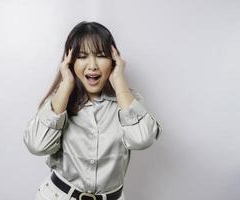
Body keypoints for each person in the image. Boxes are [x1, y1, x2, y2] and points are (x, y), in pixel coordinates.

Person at [23, 21, 163, 200]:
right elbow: (37, 145)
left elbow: (142, 139)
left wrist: (119, 81)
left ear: (113, 59)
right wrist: (66, 85)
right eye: (82, 56)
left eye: (101, 55)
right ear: (70, 61)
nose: (92, 65)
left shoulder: (127, 100)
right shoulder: (60, 99)